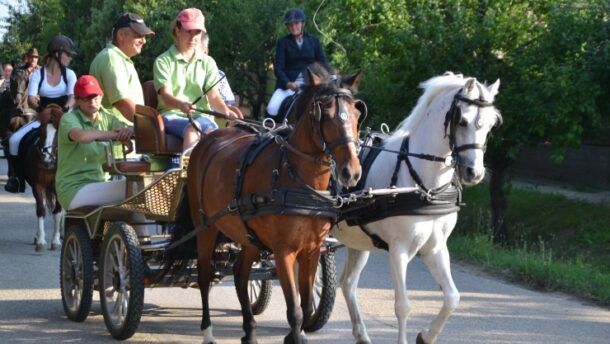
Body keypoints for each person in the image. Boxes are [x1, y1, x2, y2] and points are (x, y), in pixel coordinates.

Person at [153, 8, 241, 152]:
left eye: (197, 32)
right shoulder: (163, 61)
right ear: (177, 31)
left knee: (217, 138)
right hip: (171, 116)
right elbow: (167, 97)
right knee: (193, 128)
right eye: (188, 31)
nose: (193, 37)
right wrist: (181, 104)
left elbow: (213, 96)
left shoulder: (208, 62)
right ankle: (188, 172)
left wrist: (226, 111)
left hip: (202, 117)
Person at [4, 37, 77, 193]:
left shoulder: (70, 74)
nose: (70, 58)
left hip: (65, 118)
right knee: (14, 140)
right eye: (68, 54)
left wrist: (64, 110)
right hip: (43, 117)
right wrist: (40, 109)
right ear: (57, 54)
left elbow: (73, 97)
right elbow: (31, 99)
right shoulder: (39, 74)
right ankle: (17, 179)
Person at [56, 75, 133, 210]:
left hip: (99, 184)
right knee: (134, 188)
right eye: (86, 97)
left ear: (101, 96)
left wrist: (129, 131)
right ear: (77, 100)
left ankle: (137, 231)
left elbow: (129, 128)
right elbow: (83, 137)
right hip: (73, 189)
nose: (92, 101)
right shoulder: (68, 118)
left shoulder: (106, 117)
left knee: (136, 191)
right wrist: (115, 135)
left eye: (95, 96)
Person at [90, 12, 155, 124]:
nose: (144, 41)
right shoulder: (112, 59)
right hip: (116, 137)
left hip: (122, 134)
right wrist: (148, 126)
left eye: (144, 36)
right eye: (139, 35)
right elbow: (122, 103)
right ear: (120, 35)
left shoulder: (118, 58)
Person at [266, 8, 327, 117]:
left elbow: (323, 63)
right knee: (272, 108)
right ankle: (270, 131)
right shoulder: (283, 43)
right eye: (290, 25)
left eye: (296, 23)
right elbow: (279, 68)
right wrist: (287, 83)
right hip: (289, 85)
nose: (293, 27)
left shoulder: (314, 41)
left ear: (302, 23)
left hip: (310, 84)